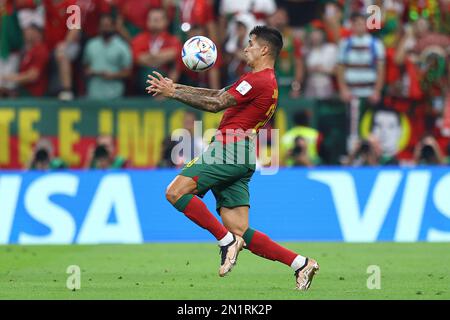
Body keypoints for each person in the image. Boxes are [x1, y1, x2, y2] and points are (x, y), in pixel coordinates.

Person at [147, 25, 319, 291]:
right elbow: (217, 95)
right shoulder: (262, 81)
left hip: (228, 150)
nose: (245, 48)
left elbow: (216, 105)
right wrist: (174, 86)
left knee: (175, 192)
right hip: (243, 155)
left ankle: (224, 242)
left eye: (250, 43)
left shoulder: (258, 80)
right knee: (241, 232)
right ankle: (300, 263)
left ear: (264, 49)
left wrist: (173, 94)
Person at [83, 14, 132, 99]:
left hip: (115, 93)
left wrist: (113, 75)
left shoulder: (122, 46)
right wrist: (91, 72)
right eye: (103, 26)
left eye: (107, 26)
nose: (105, 29)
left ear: (113, 27)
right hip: (94, 93)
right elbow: (85, 66)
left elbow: (128, 72)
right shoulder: (91, 45)